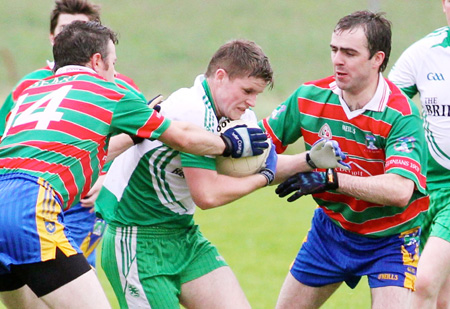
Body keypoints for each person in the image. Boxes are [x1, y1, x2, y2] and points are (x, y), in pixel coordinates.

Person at [0, 21, 268, 309]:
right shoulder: (110, 92)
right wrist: (230, 144)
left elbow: (74, 152)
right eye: (113, 63)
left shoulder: (30, 92)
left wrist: (130, 136)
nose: (115, 72)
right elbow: (183, 137)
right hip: (30, 209)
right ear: (97, 61)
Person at [95, 38, 350, 308]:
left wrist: (309, 159)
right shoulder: (191, 109)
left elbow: (265, 167)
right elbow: (208, 195)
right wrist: (262, 179)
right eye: (247, 90)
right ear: (220, 77)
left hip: (183, 235)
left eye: (257, 95)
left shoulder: (239, 119)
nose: (252, 103)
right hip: (136, 239)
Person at [260, 11, 429, 308]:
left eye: (350, 53)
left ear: (377, 59)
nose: (338, 60)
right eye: (334, 50)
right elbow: (260, 152)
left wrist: (331, 179)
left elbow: (400, 190)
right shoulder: (307, 98)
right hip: (331, 232)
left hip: (392, 238)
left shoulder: (400, 114)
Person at [0, 0, 139, 269]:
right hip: (27, 199)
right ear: (53, 37)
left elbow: (145, 137)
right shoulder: (29, 86)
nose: (74, 35)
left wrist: (109, 178)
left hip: (84, 205)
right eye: (66, 28)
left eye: (82, 28)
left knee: (71, 280)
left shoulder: (119, 87)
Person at [388, 1, 450, 307]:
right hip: (424, 187)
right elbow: (388, 105)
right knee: (441, 297)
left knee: (422, 282)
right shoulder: (424, 52)